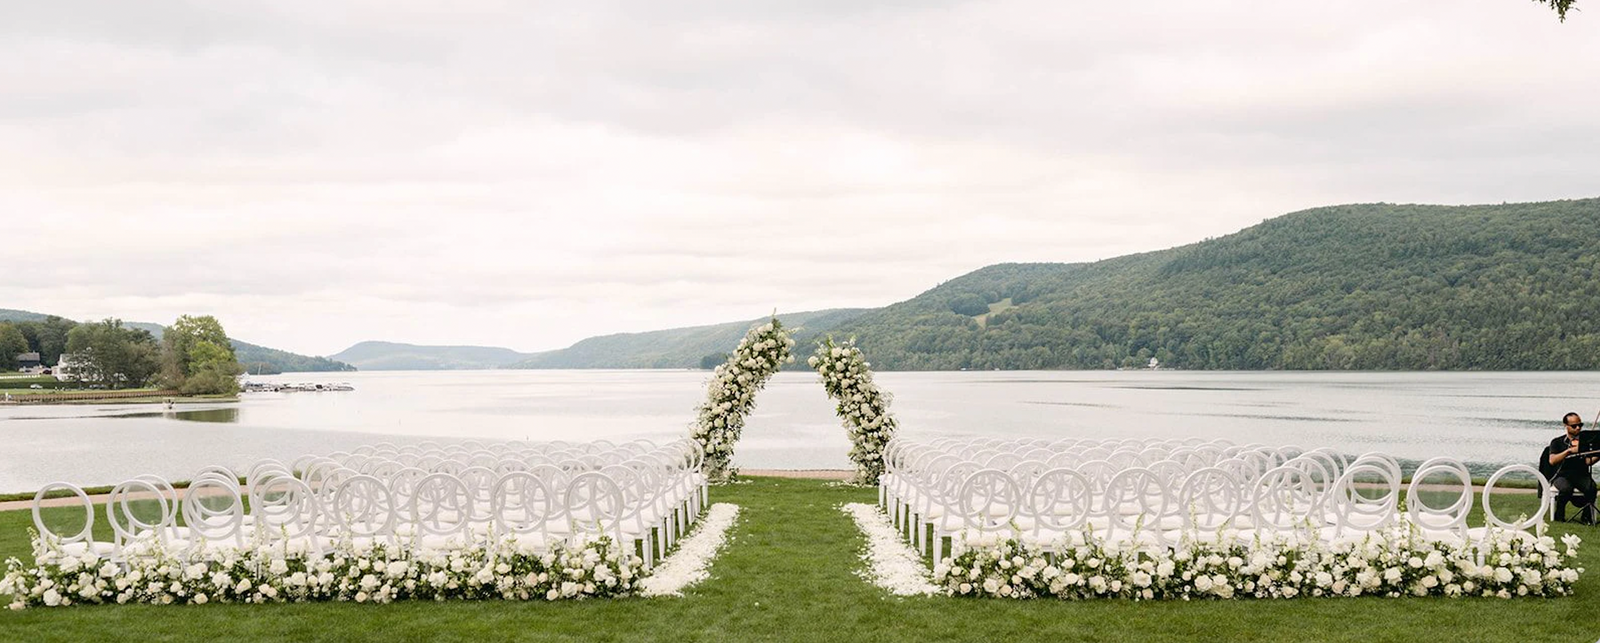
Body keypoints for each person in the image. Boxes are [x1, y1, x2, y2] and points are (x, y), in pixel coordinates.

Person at [1548, 412, 1598, 522]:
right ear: (1566, 426)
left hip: (1581, 475)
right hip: (1562, 475)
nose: (1578, 428)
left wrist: (1598, 455)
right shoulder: (1557, 442)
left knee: (1591, 488)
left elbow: (1587, 462)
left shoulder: (1585, 442)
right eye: (1574, 426)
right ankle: (1559, 515)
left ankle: (1586, 517)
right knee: (1566, 489)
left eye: (1580, 425)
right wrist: (1568, 451)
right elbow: (1552, 460)